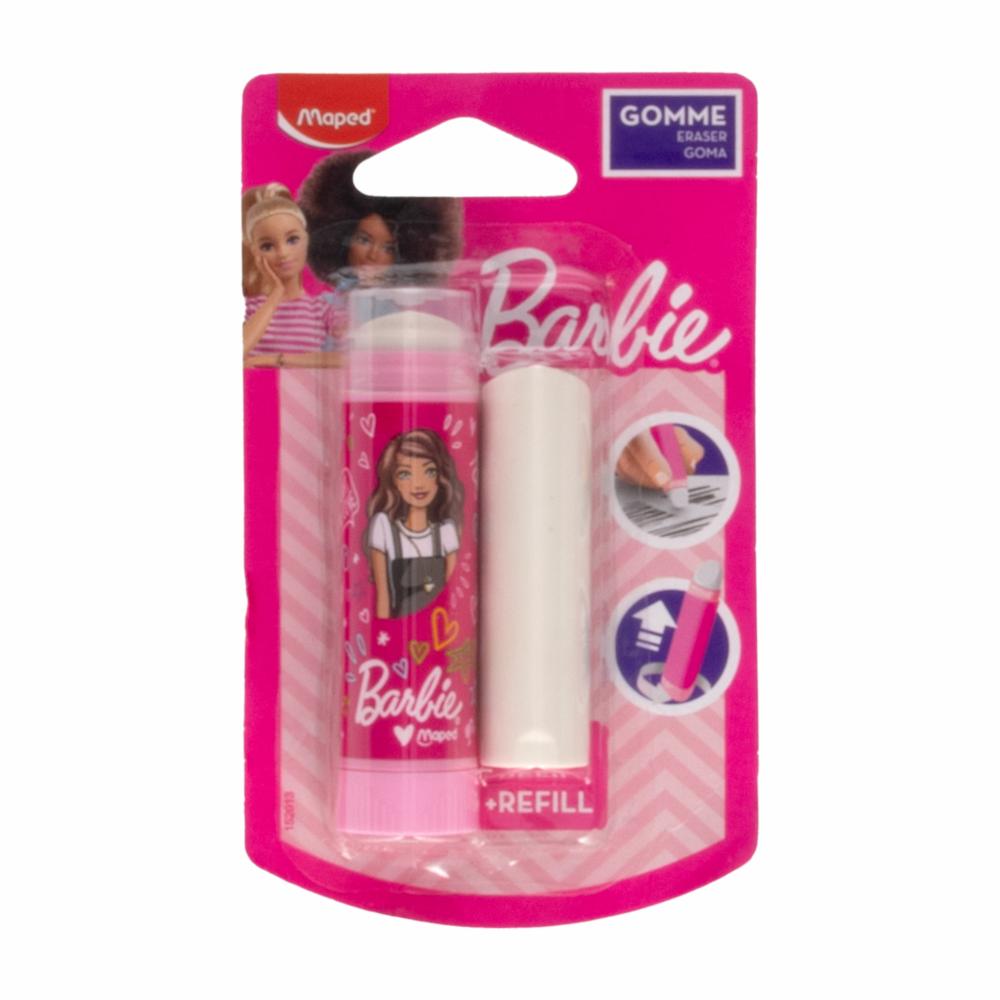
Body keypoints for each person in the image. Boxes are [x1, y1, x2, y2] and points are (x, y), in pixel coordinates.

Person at [297, 150, 462, 293]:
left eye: (388, 248)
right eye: (364, 240)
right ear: (342, 239)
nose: (373, 255)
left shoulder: (403, 309)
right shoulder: (326, 306)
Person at [365, 430, 464, 619]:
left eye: (429, 471)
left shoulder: (446, 531)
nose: (419, 484)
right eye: (405, 474)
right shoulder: (384, 526)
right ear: (394, 482)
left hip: (438, 626)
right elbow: (383, 596)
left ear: (440, 478)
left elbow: (449, 593)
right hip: (395, 628)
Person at [241, 183, 341, 368]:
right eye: (267, 246)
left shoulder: (321, 310)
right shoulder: (249, 309)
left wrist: (274, 359)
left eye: (292, 240)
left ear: (307, 240)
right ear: (255, 252)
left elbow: (352, 359)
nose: (283, 253)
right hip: (257, 387)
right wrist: (275, 295)